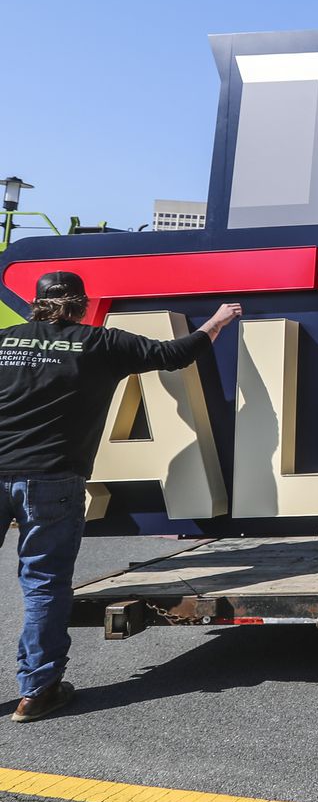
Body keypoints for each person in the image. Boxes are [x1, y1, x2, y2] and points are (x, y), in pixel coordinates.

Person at [0, 271, 241, 723]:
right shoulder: (99, 344)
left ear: (34, 304)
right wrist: (217, 322)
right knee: (44, 586)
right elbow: (175, 354)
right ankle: (36, 692)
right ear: (81, 306)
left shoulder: (5, 340)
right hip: (51, 480)